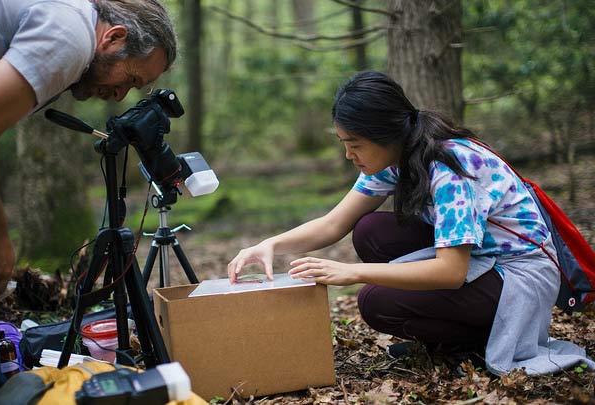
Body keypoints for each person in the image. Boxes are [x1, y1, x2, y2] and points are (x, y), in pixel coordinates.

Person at [227, 71, 595, 376]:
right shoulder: (397, 158)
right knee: (370, 229)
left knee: (374, 299)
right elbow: (333, 223)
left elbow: (451, 271)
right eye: (343, 142)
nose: (347, 154)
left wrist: (354, 272)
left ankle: (476, 340)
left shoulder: (451, 167)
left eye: (354, 143)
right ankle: (457, 335)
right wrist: (269, 244)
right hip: (481, 258)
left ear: (386, 134)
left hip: (520, 275)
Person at [0, 0, 177, 402]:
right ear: (114, 37)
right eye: (128, 78)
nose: (118, 95)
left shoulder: (58, 16)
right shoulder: (70, 37)